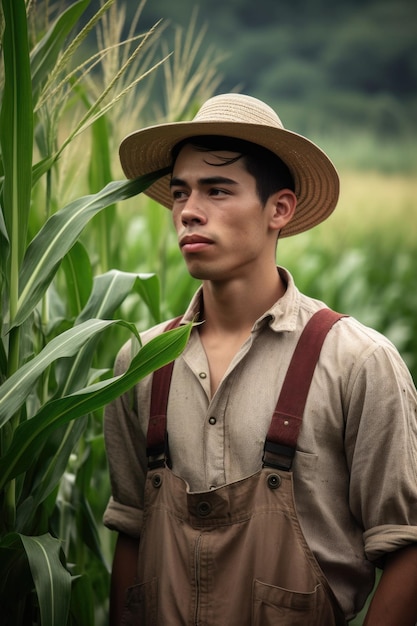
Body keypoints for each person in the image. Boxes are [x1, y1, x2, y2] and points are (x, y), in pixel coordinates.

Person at [103, 93, 417, 625]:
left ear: (280, 209)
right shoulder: (141, 360)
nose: (189, 211)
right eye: (180, 193)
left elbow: (406, 549)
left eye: (218, 190)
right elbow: (133, 536)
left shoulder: (358, 362)